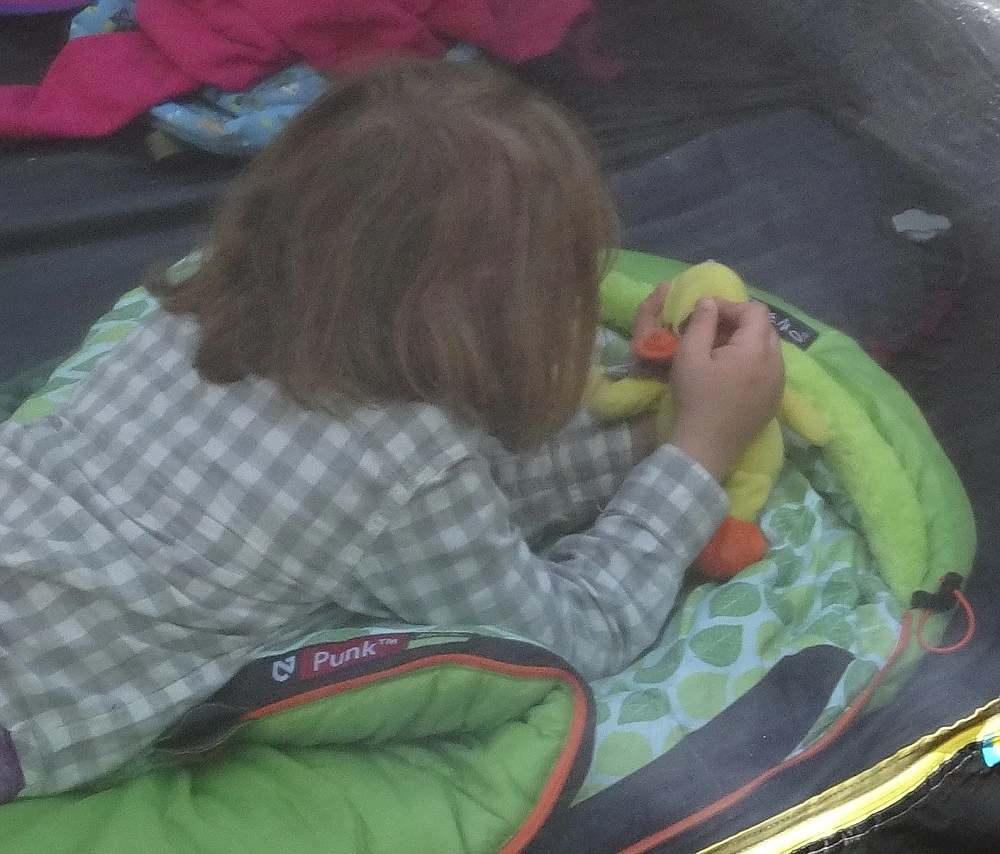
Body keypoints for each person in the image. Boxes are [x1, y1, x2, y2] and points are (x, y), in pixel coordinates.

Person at [0, 58, 784, 801]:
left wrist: (639, 416)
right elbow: (579, 632)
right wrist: (699, 451)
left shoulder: (195, 301)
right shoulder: (405, 465)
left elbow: (454, 487)